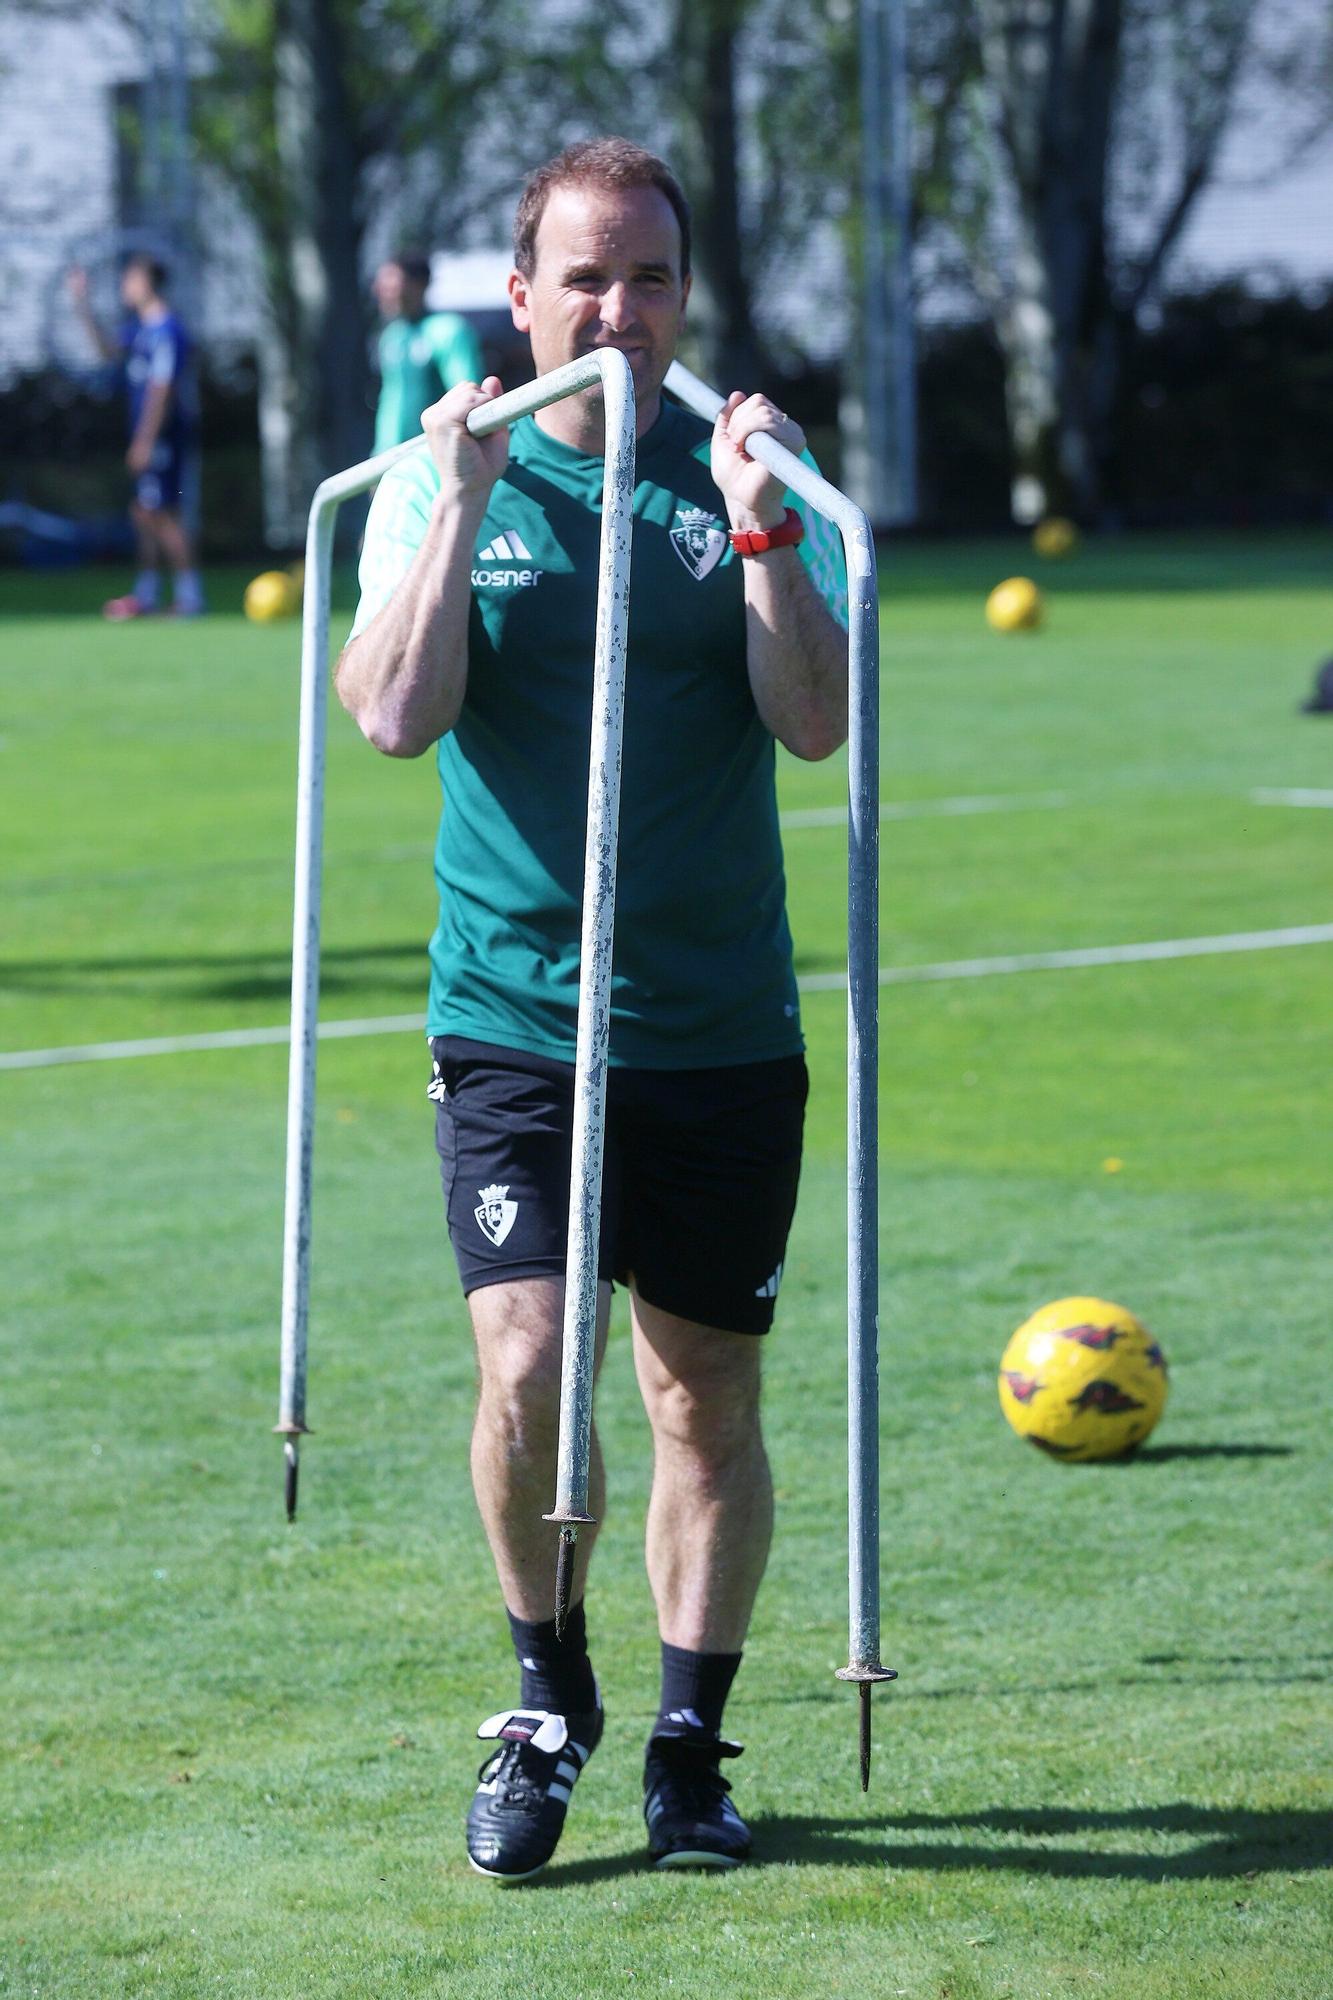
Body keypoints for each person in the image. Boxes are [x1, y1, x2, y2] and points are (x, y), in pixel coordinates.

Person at [336, 138, 849, 1880]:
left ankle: (691, 1743)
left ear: (683, 296)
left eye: (648, 280)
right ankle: (548, 1705)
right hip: (510, 1016)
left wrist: (765, 510)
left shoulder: (747, 479)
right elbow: (391, 717)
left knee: (701, 1394)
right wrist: (462, 498)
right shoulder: (444, 480)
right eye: (584, 277)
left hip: (714, 1026)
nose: (615, 313)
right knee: (529, 1362)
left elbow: (811, 719)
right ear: (521, 291)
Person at [67, 254, 203, 620]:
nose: (125, 285)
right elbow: (105, 350)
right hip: (150, 436)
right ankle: (148, 592)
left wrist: (145, 439)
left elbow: (162, 389)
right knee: (144, 511)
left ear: (146, 281)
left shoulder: (167, 330)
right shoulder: (141, 329)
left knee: (162, 514)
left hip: (163, 438)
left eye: (129, 278)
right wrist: (82, 306)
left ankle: (190, 597)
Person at [372, 252, 485, 455]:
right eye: (381, 284)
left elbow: (467, 396)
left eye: (392, 283)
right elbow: (390, 401)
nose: (382, 291)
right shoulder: (392, 336)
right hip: (389, 460)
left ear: (420, 284)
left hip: (432, 456)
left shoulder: (448, 330)